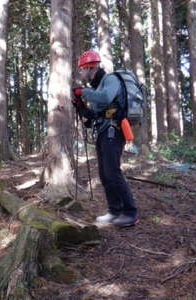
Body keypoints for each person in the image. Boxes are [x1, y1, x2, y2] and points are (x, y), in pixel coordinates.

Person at [72, 50, 138, 227]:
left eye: (82, 70)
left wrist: (83, 93)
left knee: (113, 171)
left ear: (89, 67)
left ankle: (130, 212)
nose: (81, 73)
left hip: (114, 131)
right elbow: (93, 115)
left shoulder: (110, 80)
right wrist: (80, 106)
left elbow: (107, 97)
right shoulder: (96, 87)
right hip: (103, 131)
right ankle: (114, 210)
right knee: (104, 173)